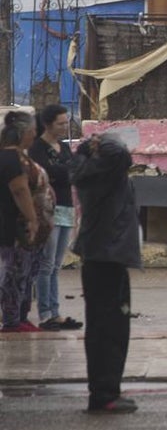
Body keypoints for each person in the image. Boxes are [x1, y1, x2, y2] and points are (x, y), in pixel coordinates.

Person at [72, 134, 142, 414]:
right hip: (108, 258)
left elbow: (114, 157)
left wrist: (89, 148)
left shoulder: (89, 175)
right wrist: (104, 144)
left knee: (101, 328)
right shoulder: (106, 175)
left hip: (99, 257)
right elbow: (121, 157)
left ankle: (103, 390)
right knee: (111, 329)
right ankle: (105, 393)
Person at [31, 104, 82, 331]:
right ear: (48, 124)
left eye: (65, 123)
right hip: (47, 209)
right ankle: (45, 313)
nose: (64, 127)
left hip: (66, 207)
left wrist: (61, 172)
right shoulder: (37, 148)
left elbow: (71, 172)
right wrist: (63, 172)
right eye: (60, 123)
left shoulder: (63, 147)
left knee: (56, 264)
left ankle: (55, 310)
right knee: (46, 263)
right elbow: (48, 173)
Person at [0, 110, 42, 333]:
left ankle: (16, 317)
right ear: (23, 133)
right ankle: (11, 320)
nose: (34, 136)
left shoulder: (14, 156)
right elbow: (19, 190)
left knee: (18, 272)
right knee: (13, 273)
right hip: (12, 225)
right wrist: (32, 218)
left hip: (12, 224)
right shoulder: (11, 159)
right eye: (33, 132)